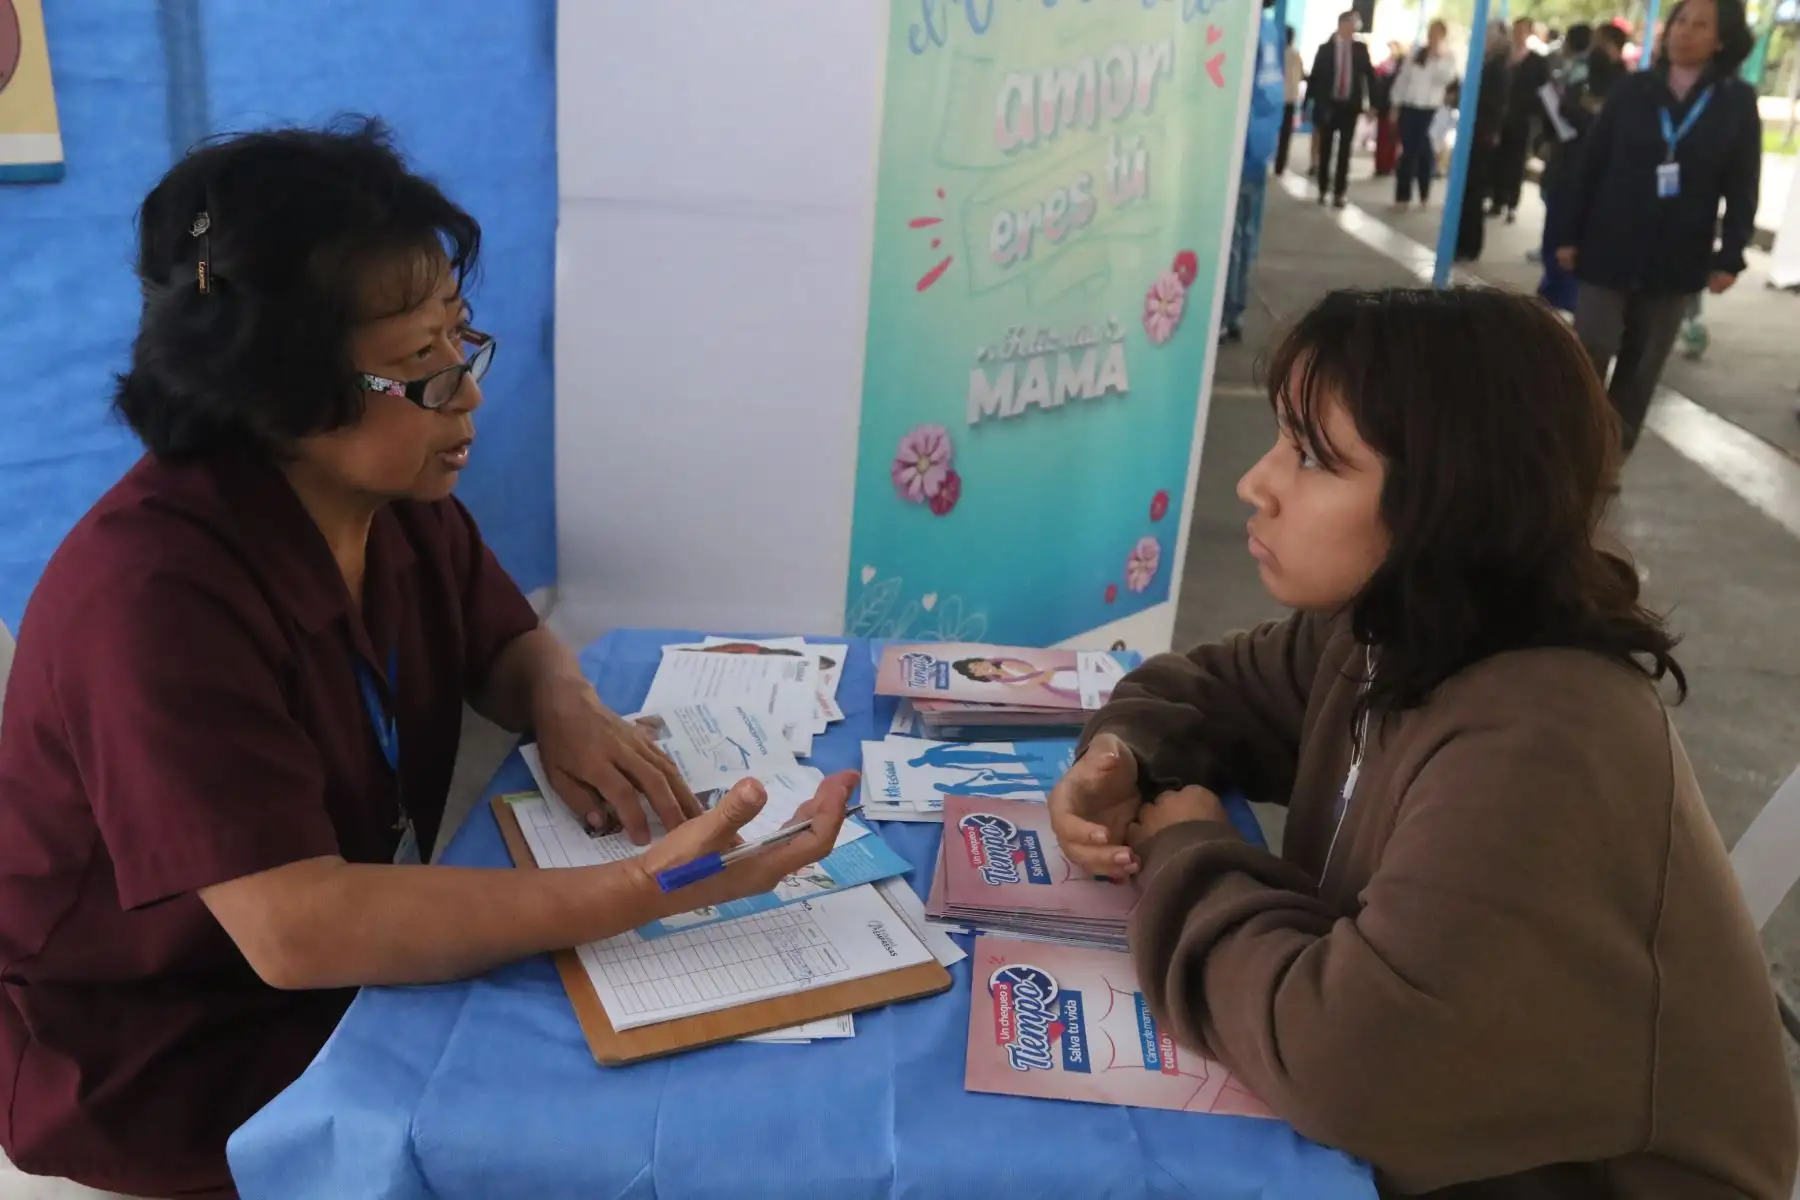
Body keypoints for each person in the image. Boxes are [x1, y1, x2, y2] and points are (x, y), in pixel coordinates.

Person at [0, 120, 855, 1196]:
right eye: (420, 365)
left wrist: (565, 704)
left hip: (341, 989)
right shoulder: (154, 603)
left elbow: (499, 637)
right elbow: (298, 932)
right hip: (173, 1063)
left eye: (460, 338)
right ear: (277, 392)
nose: (469, 391)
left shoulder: (387, 495)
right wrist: (643, 888)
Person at [1047, 287, 1798, 1199]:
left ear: (1451, 497)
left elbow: (1345, 1065)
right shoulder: (1394, 630)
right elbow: (1200, 689)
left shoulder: (1545, 740)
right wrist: (1121, 759)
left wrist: (1184, 848)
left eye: (1314, 458)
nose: (1256, 483)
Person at [1558, 0, 1761, 454]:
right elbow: (1590, 164)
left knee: (1642, 364)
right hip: (1609, 243)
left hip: (1677, 253)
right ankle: (1573, 451)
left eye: (1699, 25)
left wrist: (1731, 255)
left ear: (1721, 39)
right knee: (1592, 344)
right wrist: (1566, 233)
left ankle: (1611, 456)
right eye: (1680, 22)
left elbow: (1742, 184)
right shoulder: (1634, 90)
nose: (1684, 32)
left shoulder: (1735, 101)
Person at [1537, 23, 1626, 311]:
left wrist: (1583, 112)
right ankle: (1552, 294)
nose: (1595, 49)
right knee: (1555, 231)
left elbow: (1602, 124)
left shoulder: (1625, 84)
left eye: (1601, 42)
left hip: (1593, 173)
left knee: (1574, 235)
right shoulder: (1580, 75)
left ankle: (1568, 298)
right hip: (1565, 164)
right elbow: (1565, 108)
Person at [1222, 0, 1289, 344]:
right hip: (1259, 143)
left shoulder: (1243, 31)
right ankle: (1235, 311)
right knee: (1246, 233)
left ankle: (1226, 312)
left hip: (1239, 144)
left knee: (1231, 236)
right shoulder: (1269, 30)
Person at [1455, 24, 1512, 262]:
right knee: (1468, 189)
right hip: (1478, 130)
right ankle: (1465, 241)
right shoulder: (1487, 63)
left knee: (1473, 189)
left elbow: (1494, 103)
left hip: (1481, 133)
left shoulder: (1496, 68)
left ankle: (1469, 243)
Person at [1389, 20, 1459, 211]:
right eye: (1431, 32)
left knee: (1420, 150)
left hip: (1429, 109)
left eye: (1437, 33)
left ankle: (1423, 191)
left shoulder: (1447, 57)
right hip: (1409, 106)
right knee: (1409, 150)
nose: (1432, 36)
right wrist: (1395, 104)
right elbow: (1403, 79)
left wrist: (1437, 57)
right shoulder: (1417, 52)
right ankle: (1403, 195)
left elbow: (1446, 79)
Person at [1308, 11, 1375, 208]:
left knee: (1345, 150)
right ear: (1342, 24)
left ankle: (1339, 192)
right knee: (1326, 148)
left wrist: (1373, 104)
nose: (1354, 29)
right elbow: (1316, 78)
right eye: (1352, 25)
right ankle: (1322, 189)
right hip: (1329, 106)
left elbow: (1369, 76)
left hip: (1350, 107)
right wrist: (1310, 105)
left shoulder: (1360, 49)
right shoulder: (1325, 49)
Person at [1492, 18, 1550, 223]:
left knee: (1516, 162)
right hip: (1500, 117)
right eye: (1515, 30)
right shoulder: (1502, 58)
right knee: (1498, 158)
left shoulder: (1537, 61)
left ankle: (1511, 203)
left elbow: (1543, 91)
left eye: (1522, 30)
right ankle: (1496, 199)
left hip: (1522, 118)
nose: (1517, 34)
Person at [1276, 25, 1307, 176]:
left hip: (1275, 100)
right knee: (1285, 135)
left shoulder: (1276, 53)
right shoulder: (1296, 55)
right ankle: (1280, 165)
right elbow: (1301, 75)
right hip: (1290, 100)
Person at [1371, 41, 1405, 177]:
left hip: (1394, 105)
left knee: (1391, 137)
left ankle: (1389, 165)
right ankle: (1380, 165)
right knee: (1382, 137)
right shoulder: (1384, 65)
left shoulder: (1401, 66)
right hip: (1383, 105)